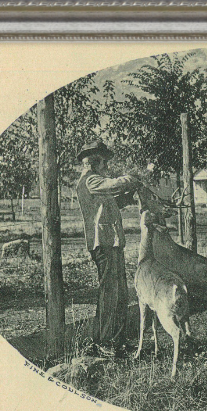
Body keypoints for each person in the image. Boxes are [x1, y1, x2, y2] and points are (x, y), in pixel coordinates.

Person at [76, 140, 142, 352]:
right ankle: (105, 342)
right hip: (103, 244)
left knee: (119, 293)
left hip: (111, 243)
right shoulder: (90, 180)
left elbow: (108, 204)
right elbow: (113, 185)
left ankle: (117, 340)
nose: (107, 166)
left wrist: (127, 198)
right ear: (95, 162)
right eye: (104, 162)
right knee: (110, 294)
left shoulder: (97, 183)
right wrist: (131, 179)